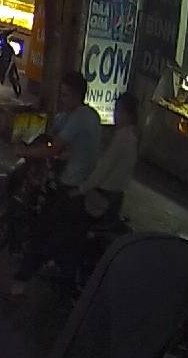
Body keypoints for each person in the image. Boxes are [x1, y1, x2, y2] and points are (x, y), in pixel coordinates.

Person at [8, 71, 102, 297]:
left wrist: (25, 151)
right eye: (61, 94)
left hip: (70, 188)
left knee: (43, 233)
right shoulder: (89, 116)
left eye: (66, 95)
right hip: (82, 186)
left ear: (77, 96)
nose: (62, 99)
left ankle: (20, 282)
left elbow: (53, 149)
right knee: (68, 242)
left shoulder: (79, 118)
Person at [78, 94, 139, 223]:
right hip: (117, 192)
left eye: (119, 111)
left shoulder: (122, 138)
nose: (115, 115)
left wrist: (82, 189)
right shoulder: (132, 135)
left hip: (105, 192)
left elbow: (104, 168)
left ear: (128, 115)